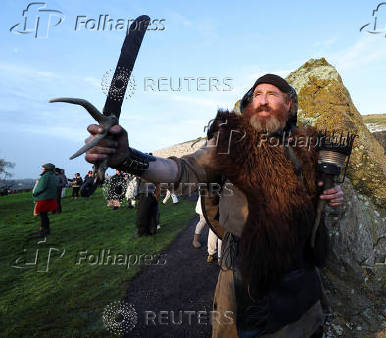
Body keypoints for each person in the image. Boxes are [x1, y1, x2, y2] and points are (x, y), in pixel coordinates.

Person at [84, 74, 344, 337]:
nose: (263, 100)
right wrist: (128, 159)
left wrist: (334, 193)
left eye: (272, 94)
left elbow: (319, 192)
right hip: (246, 274)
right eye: (257, 94)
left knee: (308, 329)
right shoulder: (232, 140)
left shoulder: (305, 146)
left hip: (302, 276)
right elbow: (183, 169)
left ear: (289, 104)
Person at [193, 194, 222, 264]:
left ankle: (211, 254)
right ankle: (220, 257)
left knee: (212, 230)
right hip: (214, 207)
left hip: (209, 207)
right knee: (221, 233)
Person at [33, 163, 58, 236]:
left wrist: (35, 193)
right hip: (50, 197)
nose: (42, 169)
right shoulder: (53, 176)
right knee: (44, 215)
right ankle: (44, 229)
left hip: (44, 198)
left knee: (43, 215)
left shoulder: (45, 176)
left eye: (43, 168)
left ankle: (44, 231)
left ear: (47, 169)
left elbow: (41, 187)